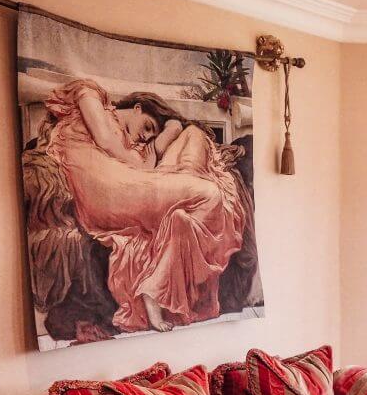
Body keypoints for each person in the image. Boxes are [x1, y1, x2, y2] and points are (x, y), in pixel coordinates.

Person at [39, 79, 248, 332]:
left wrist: (170, 131)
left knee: (184, 202)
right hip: (109, 191)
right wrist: (147, 153)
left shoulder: (133, 145)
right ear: (137, 107)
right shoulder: (89, 93)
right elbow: (105, 140)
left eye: (151, 134)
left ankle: (155, 286)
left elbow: (148, 162)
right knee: (210, 193)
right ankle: (156, 285)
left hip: (125, 187)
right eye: (148, 126)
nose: (146, 135)